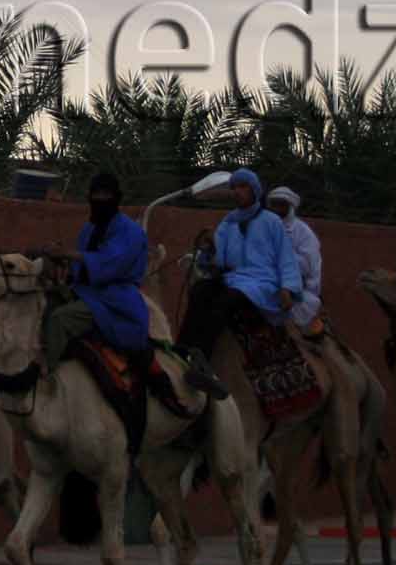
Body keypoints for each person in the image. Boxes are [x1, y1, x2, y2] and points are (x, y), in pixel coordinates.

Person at [47, 170, 224, 397]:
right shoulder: (89, 229)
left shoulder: (131, 232)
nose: (100, 200)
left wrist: (70, 254)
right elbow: (80, 266)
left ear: (116, 198)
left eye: (105, 195)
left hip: (115, 300)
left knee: (60, 319)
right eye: (96, 195)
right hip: (86, 292)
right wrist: (60, 263)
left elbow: (109, 263)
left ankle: (46, 378)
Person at [178, 168, 302, 363]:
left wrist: (288, 287)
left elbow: (286, 257)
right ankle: (181, 350)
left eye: (243, 187)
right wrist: (210, 248)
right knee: (199, 290)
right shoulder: (229, 221)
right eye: (234, 187)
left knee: (224, 301)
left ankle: (202, 358)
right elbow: (220, 259)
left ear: (255, 190)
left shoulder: (271, 221)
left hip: (262, 282)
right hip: (233, 278)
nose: (237, 191)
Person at [267, 186, 327, 340]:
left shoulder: (303, 232)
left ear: (290, 206)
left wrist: (280, 253)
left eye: (281, 204)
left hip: (301, 288)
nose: (276, 209)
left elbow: (307, 267)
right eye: (274, 204)